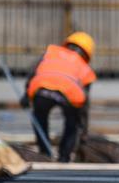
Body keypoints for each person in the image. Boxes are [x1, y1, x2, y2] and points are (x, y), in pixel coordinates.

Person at [21, 32, 97, 163]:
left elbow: (34, 72)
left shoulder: (50, 54)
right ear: (87, 53)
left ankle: (44, 153)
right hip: (69, 95)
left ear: (68, 43)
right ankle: (64, 157)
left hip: (41, 90)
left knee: (39, 117)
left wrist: (26, 96)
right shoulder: (85, 68)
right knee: (72, 123)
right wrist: (83, 131)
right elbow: (84, 104)